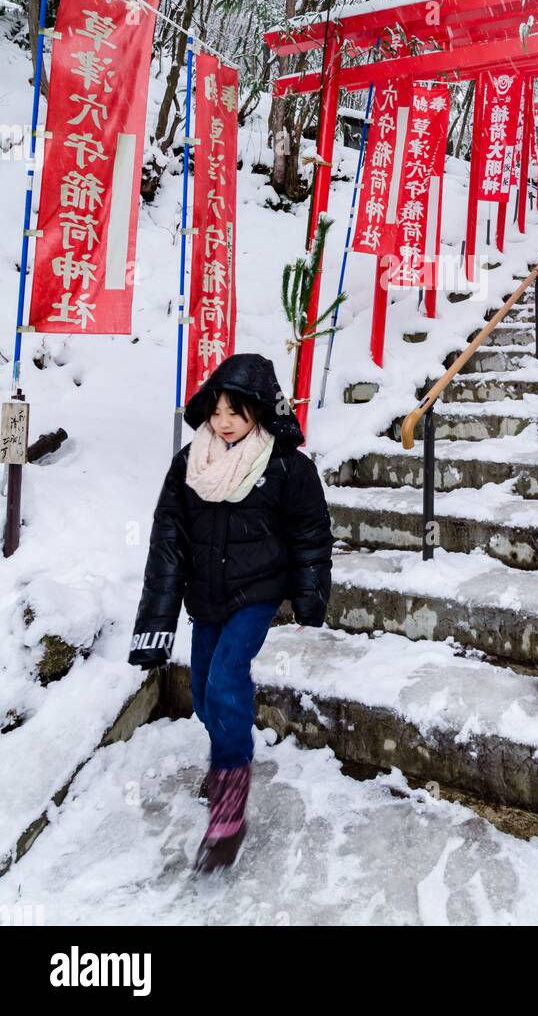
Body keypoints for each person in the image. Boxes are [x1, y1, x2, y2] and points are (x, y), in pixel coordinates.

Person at [127, 352, 334, 873]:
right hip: (206, 595)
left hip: (257, 592)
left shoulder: (287, 466)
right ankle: (225, 752)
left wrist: (310, 596)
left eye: (236, 412)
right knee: (201, 692)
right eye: (216, 410)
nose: (223, 421)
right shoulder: (189, 463)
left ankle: (229, 804)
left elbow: (310, 534)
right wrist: (155, 622)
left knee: (224, 681)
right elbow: (168, 542)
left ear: (259, 414)